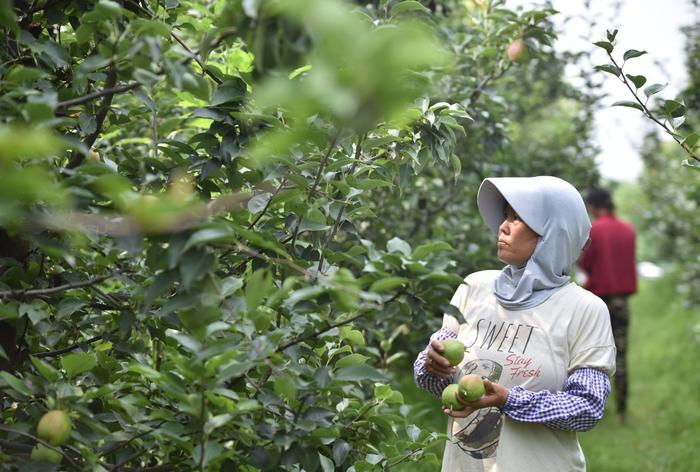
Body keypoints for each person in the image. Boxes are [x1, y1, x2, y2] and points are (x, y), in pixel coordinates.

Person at [413, 176, 616, 472]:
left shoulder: (585, 309)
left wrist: (509, 400)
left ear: (552, 232)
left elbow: (587, 407)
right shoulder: (474, 288)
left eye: (518, 218)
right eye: (505, 216)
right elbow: (431, 374)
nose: (503, 227)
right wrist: (432, 365)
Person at [579, 187, 636, 424]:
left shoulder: (595, 230)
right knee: (620, 354)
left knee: (589, 354)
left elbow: (585, 263)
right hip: (621, 301)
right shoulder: (628, 230)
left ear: (593, 206)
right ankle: (621, 411)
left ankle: (589, 407)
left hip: (597, 301)